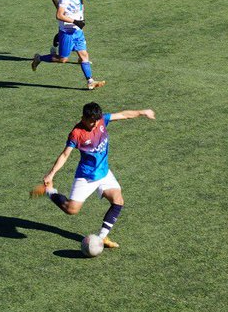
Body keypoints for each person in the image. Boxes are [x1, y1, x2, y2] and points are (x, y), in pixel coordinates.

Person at [30, 102, 155, 250]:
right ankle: (49, 191)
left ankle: (102, 238)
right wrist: (51, 174)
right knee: (71, 210)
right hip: (86, 176)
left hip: (104, 173)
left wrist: (143, 112)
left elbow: (123, 114)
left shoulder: (101, 120)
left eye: (96, 121)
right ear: (83, 117)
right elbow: (65, 155)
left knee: (118, 200)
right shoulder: (76, 133)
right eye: (91, 121)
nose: (94, 124)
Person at [31, 0, 105, 90]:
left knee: (84, 55)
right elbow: (59, 15)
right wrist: (75, 21)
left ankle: (90, 81)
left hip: (77, 32)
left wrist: (80, 18)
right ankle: (39, 58)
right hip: (67, 33)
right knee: (63, 59)